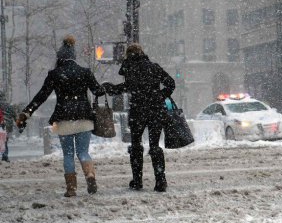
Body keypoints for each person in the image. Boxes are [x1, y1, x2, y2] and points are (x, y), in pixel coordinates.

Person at [16, 36, 104, 196]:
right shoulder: (85, 72)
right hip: (84, 117)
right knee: (83, 152)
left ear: (60, 57)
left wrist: (27, 112)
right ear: (74, 56)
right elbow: (98, 91)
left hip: (64, 118)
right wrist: (109, 88)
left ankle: (71, 188)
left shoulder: (55, 74)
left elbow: (41, 96)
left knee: (68, 154)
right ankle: (90, 176)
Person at [103, 44, 175, 192]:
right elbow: (171, 83)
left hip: (138, 111)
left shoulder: (130, 68)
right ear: (142, 52)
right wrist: (159, 96)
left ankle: (137, 180)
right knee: (155, 146)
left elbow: (127, 86)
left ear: (129, 55)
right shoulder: (153, 67)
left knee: (136, 146)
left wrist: (111, 88)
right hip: (156, 111)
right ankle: (160, 180)